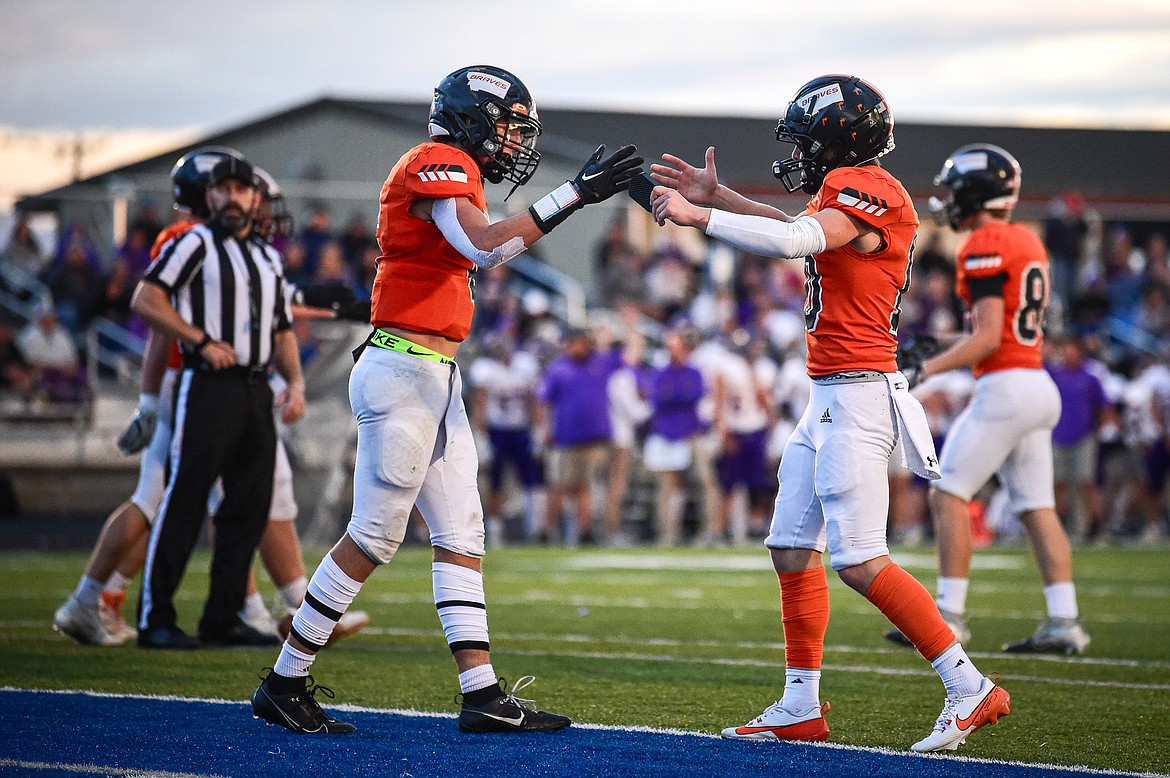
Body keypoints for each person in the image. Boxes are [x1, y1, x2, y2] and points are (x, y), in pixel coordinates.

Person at [250, 64, 641, 735]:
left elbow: (479, 246)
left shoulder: (454, 169)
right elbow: (486, 250)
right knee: (373, 535)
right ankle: (284, 681)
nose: (515, 140)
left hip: (433, 374)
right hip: (403, 370)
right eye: (509, 125)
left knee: (462, 533)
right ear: (472, 117)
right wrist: (572, 195)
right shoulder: (435, 160)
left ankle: (481, 692)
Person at [650, 74, 1008, 752]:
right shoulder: (841, 196)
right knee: (790, 548)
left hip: (859, 393)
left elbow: (794, 243)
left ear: (841, 138)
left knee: (860, 560)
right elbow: (799, 230)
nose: (801, 154)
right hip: (828, 396)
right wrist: (719, 197)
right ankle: (799, 703)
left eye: (808, 139)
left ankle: (968, 685)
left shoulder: (873, 188)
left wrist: (701, 219)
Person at [889, 144, 1092, 656]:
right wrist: (939, 346)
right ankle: (1065, 621)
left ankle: (949, 618)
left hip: (1005, 387)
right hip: (1034, 384)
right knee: (1035, 506)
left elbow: (987, 338)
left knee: (947, 492)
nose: (950, 199)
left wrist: (923, 371)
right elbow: (993, 330)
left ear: (973, 193)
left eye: (956, 189)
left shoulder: (983, 243)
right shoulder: (1024, 238)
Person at [131, 153, 307, 649]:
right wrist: (199, 339)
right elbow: (146, 298)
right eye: (223, 190)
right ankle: (156, 617)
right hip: (207, 384)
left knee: (248, 508)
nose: (232, 198)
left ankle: (223, 616)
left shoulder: (267, 257)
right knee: (186, 498)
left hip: (256, 388)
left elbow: (282, 328)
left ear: (255, 197)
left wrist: (297, 383)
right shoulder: (195, 243)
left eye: (240, 190)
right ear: (209, 197)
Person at [536, 327, 619, 545]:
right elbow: (543, 400)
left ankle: (585, 530)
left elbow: (627, 356)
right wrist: (544, 429)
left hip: (595, 437)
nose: (574, 347)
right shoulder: (558, 369)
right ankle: (546, 529)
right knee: (560, 484)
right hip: (567, 437)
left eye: (578, 342)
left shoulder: (600, 363)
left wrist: (607, 337)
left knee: (584, 485)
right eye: (571, 343)